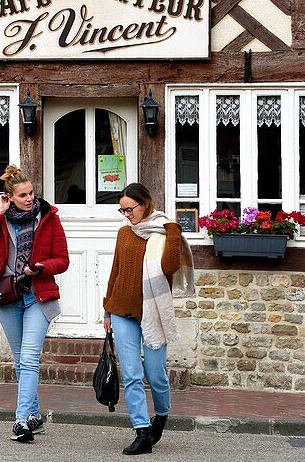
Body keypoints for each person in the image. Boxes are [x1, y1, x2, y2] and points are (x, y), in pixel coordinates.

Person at [0, 165, 69, 444]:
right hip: (8, 296)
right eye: (23, 195)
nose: (29, 198)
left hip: (37, 295)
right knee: (19, 358)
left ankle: (21, 420)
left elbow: (62, 260)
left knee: (28, 359)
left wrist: (40, 267)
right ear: (9, 197)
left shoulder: (48, 217)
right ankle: (35, 416)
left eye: (31, 193)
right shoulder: (2, 219)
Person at [103, 183, 195, 455]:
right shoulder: (124, 234)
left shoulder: (165, 233)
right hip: (122, 312)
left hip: (153, 314)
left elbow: (169, 268)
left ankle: (162, 416)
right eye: (122, 210)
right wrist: (107, 310)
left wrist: (174, 232)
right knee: (131, 375)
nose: (126, 214)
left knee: (155, 375)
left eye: (129, 209)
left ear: (145, 204)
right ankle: (141, 432)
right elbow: (116, 272)